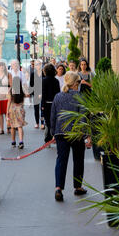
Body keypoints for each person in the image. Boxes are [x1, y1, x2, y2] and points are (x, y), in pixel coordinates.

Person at [51, 71, 92, 202]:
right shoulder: (80, 96)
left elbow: (53, 116)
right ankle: (78, 187)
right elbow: (83, 118)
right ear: (75, 84)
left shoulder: (58, 96)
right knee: (78, 159)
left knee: (61, 160)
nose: (79, 84)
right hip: (76, 133)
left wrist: (53, 133)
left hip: (61, 133)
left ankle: (58, 188)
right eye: (79, 82)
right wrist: (87, 135)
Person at [41, 63, 60, 144]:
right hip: (55, 103)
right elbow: (58, 93)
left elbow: (43, 93)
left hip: (46, 103)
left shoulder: (44, 80)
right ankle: (54, 137)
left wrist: (42, 105)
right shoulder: (56, 81)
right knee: (54, 121)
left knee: (48, 122)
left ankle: (48, 138)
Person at [6, 76, 27, 150]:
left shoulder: (11, 90)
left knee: (12, 126)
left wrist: (7, 112)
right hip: (20, 109)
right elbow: (23, 101)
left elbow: (9, 102)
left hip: (12, 109)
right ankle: (21, 142)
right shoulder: (22, 90)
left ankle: (13, 141)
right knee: (20, 126)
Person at [0, 61, 12, 135]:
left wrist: (8, 91)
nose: (2, 67)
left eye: (3, 66)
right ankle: (1, 129)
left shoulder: (8, 74)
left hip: (6, 95)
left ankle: (8, 127)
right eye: (0, 66)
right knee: (0, 113)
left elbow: (11, 85)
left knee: (7, 112)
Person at [29, 60, 43, 129]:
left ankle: (43, 123)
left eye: (39, 64)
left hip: (43, 92)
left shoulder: (44, 73)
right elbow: (31, 84)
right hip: (36, 93)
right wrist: (31, 93)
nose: (38, 66)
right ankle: (37, 122)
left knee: (43, 108)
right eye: (36, 65)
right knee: (36, 108)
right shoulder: (33, 74)